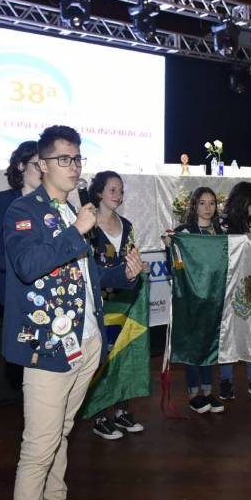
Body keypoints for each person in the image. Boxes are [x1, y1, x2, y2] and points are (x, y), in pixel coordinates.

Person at [5, 125, 145, 500]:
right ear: (43, 165)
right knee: (37, 449)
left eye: (78, 158)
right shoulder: (24, 211)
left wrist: (122, 274)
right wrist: (77, 231)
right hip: (48, 350)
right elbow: (28, 266)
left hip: (85, 343)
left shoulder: (73, 211)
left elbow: (85, 277)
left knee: (61, 433)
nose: (74, 166)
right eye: (64, 159)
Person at [86, 170, 145, 441]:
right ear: (98, 192)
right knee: (101, 359)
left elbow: (131, 257)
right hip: (99, 304)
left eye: (121, 191)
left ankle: (122, 411)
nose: (118, 195)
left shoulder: (128, 225)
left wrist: (139, 267)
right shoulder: (87, 225)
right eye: (112, 190)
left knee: (123, 355)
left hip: (124, 301)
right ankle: (99, 416)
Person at [173, 187, 223, 413]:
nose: (208, 207)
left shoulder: (220, 232)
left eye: (212, 203)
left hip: (214, 297)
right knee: (193, 345)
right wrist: (170, 244)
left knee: (210, 344)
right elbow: (175, 264)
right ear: (194, 205)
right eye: (202, 203)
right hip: (191, 298)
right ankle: (193, 393)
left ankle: (208, 391)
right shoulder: (183, 232)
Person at [0, 140, 43, 307]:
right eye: (37, 165)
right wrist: (22, 267)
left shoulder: (54, 204)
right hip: (13, 293)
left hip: (49, 294)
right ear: (21, 166)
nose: (44, 171)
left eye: (46, 165)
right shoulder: (3, 201)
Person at [217, 181, 251, 400]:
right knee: (228, 331)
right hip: (229, 284)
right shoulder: (223, 224)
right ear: (242, 200)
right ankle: (225, 380)